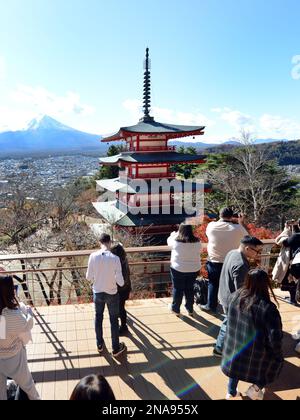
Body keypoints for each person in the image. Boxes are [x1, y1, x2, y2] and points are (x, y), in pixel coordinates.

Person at [222, 269, 283, 400]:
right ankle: (255, 389)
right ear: (265, 284)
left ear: (247, 281)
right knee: (276, 363)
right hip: (255, 354)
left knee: (235, 364)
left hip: (234, 347)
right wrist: (278, 354)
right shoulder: (268, 308)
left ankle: (231, 392)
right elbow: (275, 338)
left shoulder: (234, 296)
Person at [214, 236, 263, 357]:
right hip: (231, 300)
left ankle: (220, 347)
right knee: (229, 323)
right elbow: (241, 290)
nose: (258, 254)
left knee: (228, 322)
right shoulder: (241, 265)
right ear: (247, 248)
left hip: (224, 293)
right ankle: (219, 349)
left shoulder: (232, 252)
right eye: (257, 251)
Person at [201, 208, 248, 314]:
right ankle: (233, 308)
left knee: (213, 283)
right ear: (232, 216)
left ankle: (211, 306)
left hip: (214, 260)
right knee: (232, 285)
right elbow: (248, 238)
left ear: (219, 215)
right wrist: (241, 223)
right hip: (232, 261)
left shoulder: (211, 226)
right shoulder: (237, 228)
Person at [86, 233, 127, 358]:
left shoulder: (93, 256)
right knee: (113, 320)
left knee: (98, 317)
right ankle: (115, 348)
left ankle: (100, 344)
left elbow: (88, 277)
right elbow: (120, 281)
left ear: (100, 242)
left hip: (98, 292)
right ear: (109, 242)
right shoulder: (115, 258)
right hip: (112, 293)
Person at [0, 275, 40, 400]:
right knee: (28, 386)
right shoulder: (13, 315)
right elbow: (27, 325)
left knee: (0, 392)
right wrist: (29, 312)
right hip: (14, 356)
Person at [167, 224, 201, 317]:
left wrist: (174, 234)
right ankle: (190, 309)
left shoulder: (175, 241)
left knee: (178, 289)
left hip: (178, 268)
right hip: (193, 269)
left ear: (180, 230)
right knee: (189, 289)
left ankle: (176, 309)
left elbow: (168, 241)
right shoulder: (198, 241)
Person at [274, 220, 300, 305]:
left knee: (291, 281)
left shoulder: (296, 236)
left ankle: (293, 299)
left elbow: (282, 242)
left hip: (295, 263)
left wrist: (286, 229)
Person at [111, 243, 132, 335]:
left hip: (120, 290)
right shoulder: (124, 259)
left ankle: (124, 327)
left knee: (121, 308)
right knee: (121, 307)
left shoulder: (116, 263)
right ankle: (123, 322)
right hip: (126, 288)